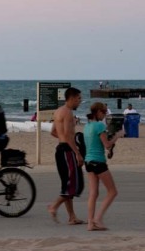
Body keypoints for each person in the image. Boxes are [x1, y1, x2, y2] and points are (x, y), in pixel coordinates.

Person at [47, 87, 85, 225]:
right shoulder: (68, 113)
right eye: (79, 98)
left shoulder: (58, 111)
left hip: (60, 150)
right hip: (67, 151)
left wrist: (62, 139)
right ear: (72, 98)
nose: (80, 101)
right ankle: (53, 206)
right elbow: (69, 136)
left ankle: (72, 217)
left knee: (67, 184)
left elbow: (53, 132)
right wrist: (78, 153)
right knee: (74, 186)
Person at [84, 102, 123, 231]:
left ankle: (90, 223)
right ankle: (98, 219)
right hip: (98, 162)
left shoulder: (87, 126)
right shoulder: (99, 126)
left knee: (93, 193)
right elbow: (107, 145)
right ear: (98, 112)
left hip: (88, 162)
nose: (105, 114)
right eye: (104, 112)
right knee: (112, 191)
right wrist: (117, 136)